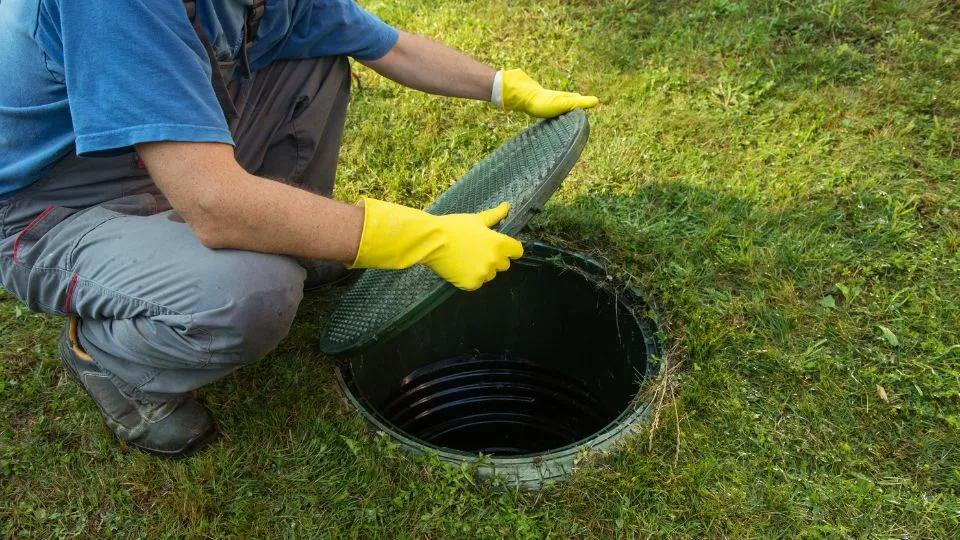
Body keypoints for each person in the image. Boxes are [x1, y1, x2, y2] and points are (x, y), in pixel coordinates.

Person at [0, 0, 599, 456]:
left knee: (313, 58)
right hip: (55, 205)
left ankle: (293, 240)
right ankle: (104, 356)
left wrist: (504, 87)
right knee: (249, 293)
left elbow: (384, 44)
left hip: (166, 155)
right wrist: (421, 237)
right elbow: (214, 203)